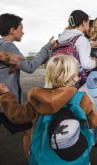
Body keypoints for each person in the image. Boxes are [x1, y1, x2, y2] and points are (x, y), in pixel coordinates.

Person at [0, 55, 97, 162]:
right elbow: (93, 122)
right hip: (75, 155)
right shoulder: (80, 98)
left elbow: (18, 116)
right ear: (73, 76)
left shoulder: (38, 98)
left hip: (44, 155)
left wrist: (6, 95)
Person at [0, 13, 54, 160]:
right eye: (21, 29)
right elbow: (30, 66)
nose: (23, 32)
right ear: (12, 30)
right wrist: (46, 47)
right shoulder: (8, 45)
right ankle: (32, 160)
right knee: (29, 132)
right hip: (6, 103)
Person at [57, 10, 97, 87]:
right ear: (83, 23)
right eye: (88, 23)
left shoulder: (61, 39)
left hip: (59, 79)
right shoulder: (81, 39)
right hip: (73, 82)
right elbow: (86, 64)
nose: (88, 26)